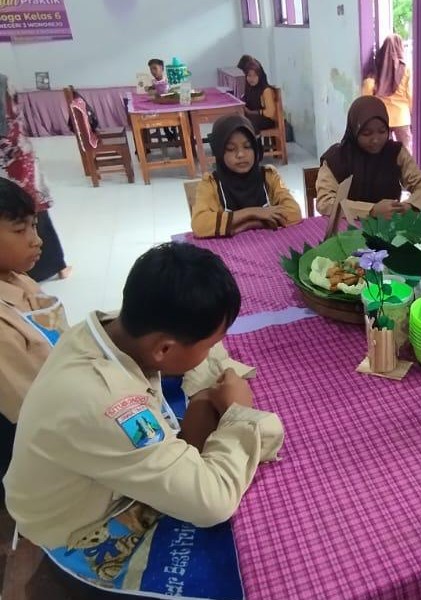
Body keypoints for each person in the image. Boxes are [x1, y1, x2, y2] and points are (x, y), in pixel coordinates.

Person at [4, 242, 284, 598]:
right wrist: (239, 414)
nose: (211, 351)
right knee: (254, 555)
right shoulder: (110, 405)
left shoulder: (107, 328)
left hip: (82, 473)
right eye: (207, 345)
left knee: (201, 407)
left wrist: (205, 394)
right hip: (75, 530)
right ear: (164, 349)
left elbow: (202, 362)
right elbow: (212, 503)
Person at [0, 178, 68, 499]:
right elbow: (32, 413)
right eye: (20, 230)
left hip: (61, 400)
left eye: (34, 225)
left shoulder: (20, 280)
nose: (36, 240)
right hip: (32, 444)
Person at [316, 95, 421, 222]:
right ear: (354, 131)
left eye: (382, 131)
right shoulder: (336, 158)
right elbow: (325, 202)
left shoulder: (395, 152)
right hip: (349, 227)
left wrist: (409, 206)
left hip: (390, 227)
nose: (376, 140)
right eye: (367, 133)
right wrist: (371, 210)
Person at [0, 74, 70, 281]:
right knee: (27, 216)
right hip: (16, 160)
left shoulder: (1, 82)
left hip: (13, 162)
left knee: (27, 216)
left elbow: (5, 130)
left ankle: (44, 268)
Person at [191, 115, 301, 238]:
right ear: (219, 152)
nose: (241, 154)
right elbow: (199, 225)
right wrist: (253, 212)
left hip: (269, 244)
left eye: (248, 146)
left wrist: (248, 224)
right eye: (231, 149)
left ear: (256, 148)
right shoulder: (211, 183)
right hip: (228, 249)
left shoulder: (268, 176)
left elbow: (294, 212)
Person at [362, 34, 413, 152]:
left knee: (384, 153)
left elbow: (367, 90)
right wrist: (411, 112)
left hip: (382, 118)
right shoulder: (406, 70)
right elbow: (410, 95)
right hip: (401, 117)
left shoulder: (377, 68)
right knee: (406, 152)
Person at [241, 61, 278, 131]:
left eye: (255, 75)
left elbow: (270, 113)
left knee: (248, 123)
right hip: (254, 117)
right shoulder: (249, 88)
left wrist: (253, 112)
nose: (252, 78)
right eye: (249, 75)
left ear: (260, 76)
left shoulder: (266, 90)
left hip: (267, 120)